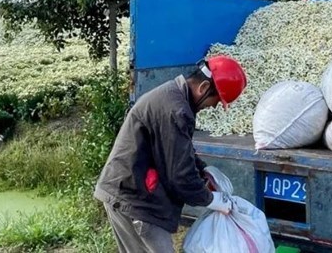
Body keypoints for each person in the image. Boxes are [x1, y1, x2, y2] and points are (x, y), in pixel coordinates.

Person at [93, 55, 248, 253]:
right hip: (133, 199)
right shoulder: (176, 109)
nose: (213, 106)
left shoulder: (174, 98)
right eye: (215, 101)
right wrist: (211, 199)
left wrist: (202, 169)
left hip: (137, 195)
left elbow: (176, 149)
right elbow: (180, 176)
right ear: (203, 88)